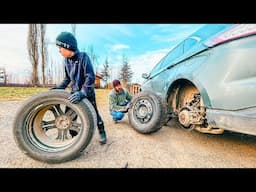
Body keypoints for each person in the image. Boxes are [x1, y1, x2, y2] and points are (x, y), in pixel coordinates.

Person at [52, 31, 107, 144]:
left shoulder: (83, 57)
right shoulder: (66, 61)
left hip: (86, 93)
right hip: (74, 93)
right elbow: (67, 79)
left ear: (67, 46)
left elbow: (90, 77)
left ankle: (101, 131)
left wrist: (83, 93)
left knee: (94, 113)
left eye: (60, 47)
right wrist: (57, 89)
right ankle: (75, 138)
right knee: (69, 116)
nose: (59, 51)